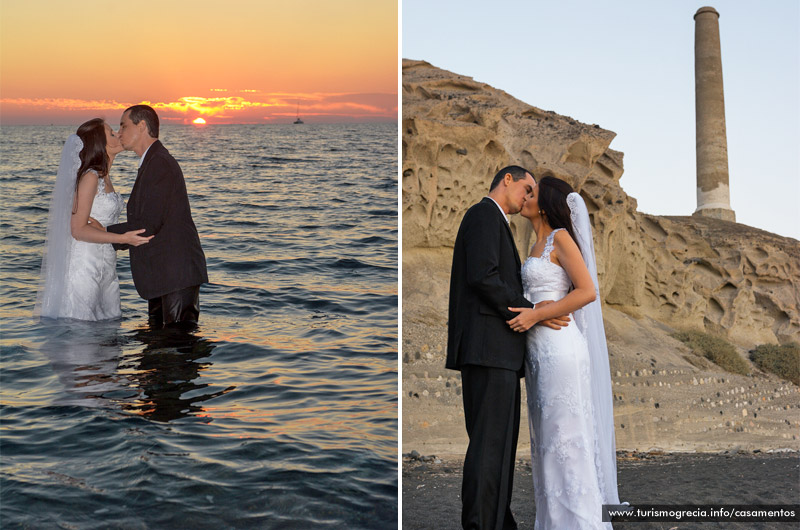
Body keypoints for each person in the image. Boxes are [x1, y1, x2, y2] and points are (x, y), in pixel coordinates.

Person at [446, 166, 570, 530]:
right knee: (489, 449)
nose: (528, 197)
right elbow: (483, 276)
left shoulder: (495, 221)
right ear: (508, 180)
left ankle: (499, 522)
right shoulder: (483, 214)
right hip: (488, 351)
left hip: (495, 353)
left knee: (496, 448)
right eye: (526, 188)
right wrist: (532, 311)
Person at [507, 174, 622, 529]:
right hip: (539, 354)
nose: (525, 197)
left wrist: (540, 314)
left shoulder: (560, 238)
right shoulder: (534, 244)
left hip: (561, 352)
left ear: (544, 205)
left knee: (566, 442)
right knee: (546, 445)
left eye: (533, 193)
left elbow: (587, 291)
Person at [35, 118, 153, 320]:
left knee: (106, 331)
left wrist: (107, 231)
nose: (118, 134)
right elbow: (78, 230)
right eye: (112, 133)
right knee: (83, 327)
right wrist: (123, 238)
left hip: (106, 263)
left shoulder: (105, 177)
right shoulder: (90, 177)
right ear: (99, 143)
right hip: (85, 265)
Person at [106, 105, 208, 327]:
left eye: (124, 125)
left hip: (175, 276)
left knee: (177, 350)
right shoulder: (152, 162)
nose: (119, 132)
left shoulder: (159, 163)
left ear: (142, 126)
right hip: (163, 275)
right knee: (161, 351)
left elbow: (148, 225)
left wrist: (102, 235)